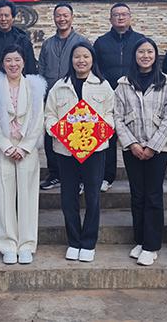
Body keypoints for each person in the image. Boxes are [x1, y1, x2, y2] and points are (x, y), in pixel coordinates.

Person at [44, 42, 114, 263]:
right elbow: (49, 115)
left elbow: (111, 114)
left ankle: (89, 242)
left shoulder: (103, 85)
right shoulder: (59, 86)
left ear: (92, 59)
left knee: (93, 196)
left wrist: (102, 131)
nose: (81, 60)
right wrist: (58, 131)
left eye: (85, 56)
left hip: (95, 150)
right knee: (68, 197)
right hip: (65, 151)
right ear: (71, 60)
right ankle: (74, 241)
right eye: (77, 57)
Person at [114, 37, 167, 266]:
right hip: (132, 148)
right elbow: (117, 117)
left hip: (158, 149)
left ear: (155, 55)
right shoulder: (123, 84)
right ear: (135, 55)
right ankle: (140, 240)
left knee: (153, 195)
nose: (145, 56)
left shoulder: (165, 82)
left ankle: (151, 245)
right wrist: (132, 144)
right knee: (137, 195)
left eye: (150, 52)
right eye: (141, 52)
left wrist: (152, 146)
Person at [0, 45, 46, 264]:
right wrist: (6, 146)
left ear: (24, 62)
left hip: (27, 146)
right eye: (9, 60)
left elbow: (39, 118)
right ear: (3, 63)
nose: (13, 64)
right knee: (4, 195)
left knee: (28, 195)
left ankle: (27, 244)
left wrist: (25, 146)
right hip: (4, 146)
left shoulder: (34, 86)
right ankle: (8, 244)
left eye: (17, 60)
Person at [38, 2, 90, 191]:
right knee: (51, 135)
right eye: (58, 15)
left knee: (77, 136)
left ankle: (80, 178)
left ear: (72, 17)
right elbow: (42, 69)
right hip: (52, 98)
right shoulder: (48, 44)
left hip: (75, 96)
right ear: (54, 18)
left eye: (65, 15)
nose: (62, 19)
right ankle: (55, 175)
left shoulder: (82, 42)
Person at [94, 3, 145, 193]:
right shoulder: (101, 42)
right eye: (116, 15)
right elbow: (96, 68)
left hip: (133, 95)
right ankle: (106, 176)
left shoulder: (140, 40)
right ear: (110, 19)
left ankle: (139, 174)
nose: (120, 17)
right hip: (108, 95)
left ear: (130, 17)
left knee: (135, 133)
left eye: (124, 14)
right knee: (108, 135)